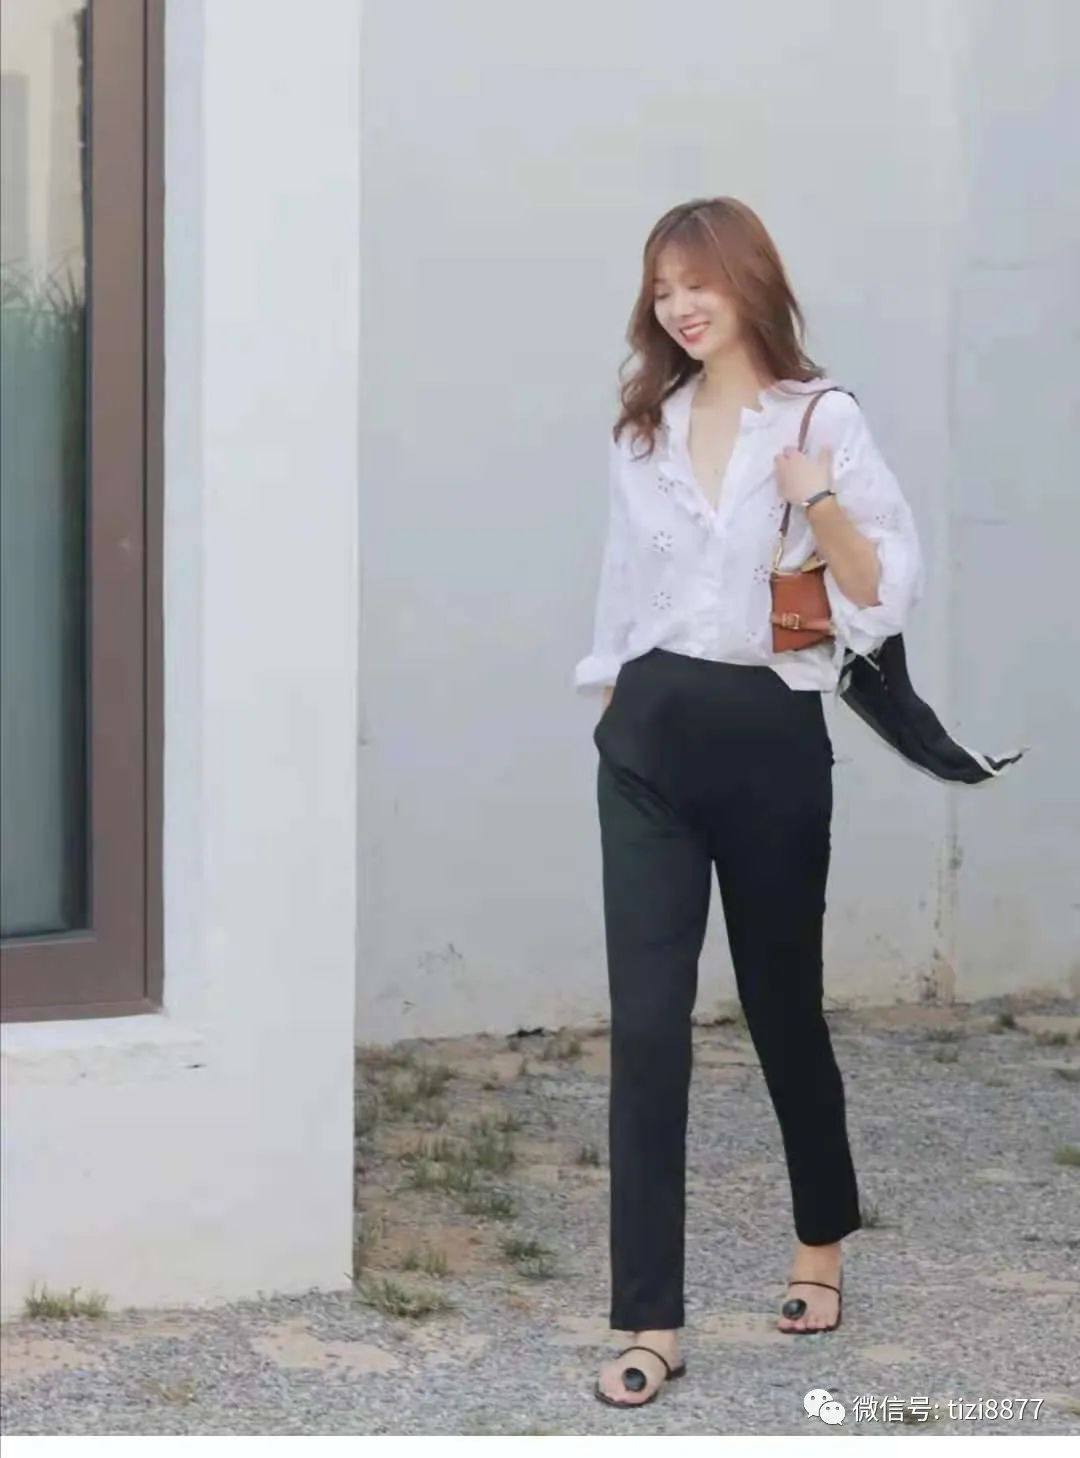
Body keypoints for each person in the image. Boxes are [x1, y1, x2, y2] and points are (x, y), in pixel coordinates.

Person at [575, 197, 923, 1410]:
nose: (680, 304)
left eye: (699, 281)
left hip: (771, 736)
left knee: (782, 1006)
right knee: (647, 1028)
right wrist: (613, 702)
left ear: (748, 282)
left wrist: (814, 497)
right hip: (650, 741)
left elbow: (880, 594)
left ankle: (821, 1239)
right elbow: (623, 585)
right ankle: (649, 1319)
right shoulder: (643, 429)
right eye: (663, 286)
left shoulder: (823, 418)